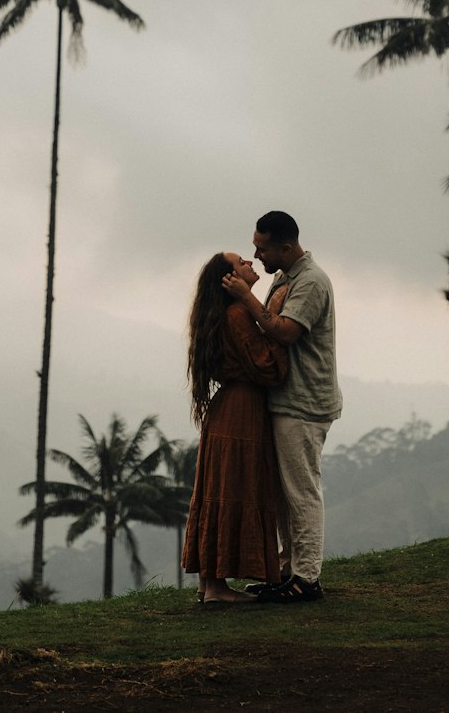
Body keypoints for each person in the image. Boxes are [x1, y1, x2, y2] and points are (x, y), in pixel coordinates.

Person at [222, 209, 341, 604]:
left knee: (301, 491)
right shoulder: (284, 278)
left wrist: (246, 297)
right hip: (287, 400)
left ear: (286, 247)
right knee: (285, 493)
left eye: (263, 249)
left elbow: (285, 332)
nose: (257, 258)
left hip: (304, 403)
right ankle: (289, 570)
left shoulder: (311, 282)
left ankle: (306, 578)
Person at [181, 250, 288, 607]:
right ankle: (217, 588)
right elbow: (268, 367)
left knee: (220, 488)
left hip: (227, 409)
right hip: (242, 411)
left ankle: (210, 581)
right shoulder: (240, 314)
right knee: (233, 488)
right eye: (241, 262)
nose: (250, 263)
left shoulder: (224, 314)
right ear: (230, 280)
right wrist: (275, 325)